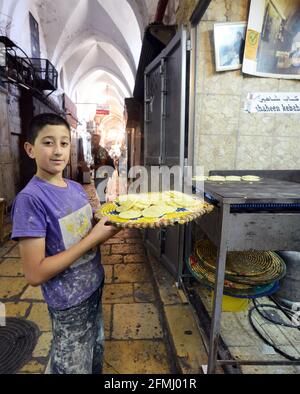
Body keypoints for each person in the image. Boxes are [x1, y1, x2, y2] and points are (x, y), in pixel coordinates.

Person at [11, 113, 120, 374]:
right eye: (48, 143)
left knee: (94, 354)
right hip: (68, 302)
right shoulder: (31, 200)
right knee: (71, 366)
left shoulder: (74, 188)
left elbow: (83, 233)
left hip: (93, 286)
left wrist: (109, 225)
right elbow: (35, 272)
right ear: (30, 149)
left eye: (64, 143)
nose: (58, 151)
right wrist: (93, 239)